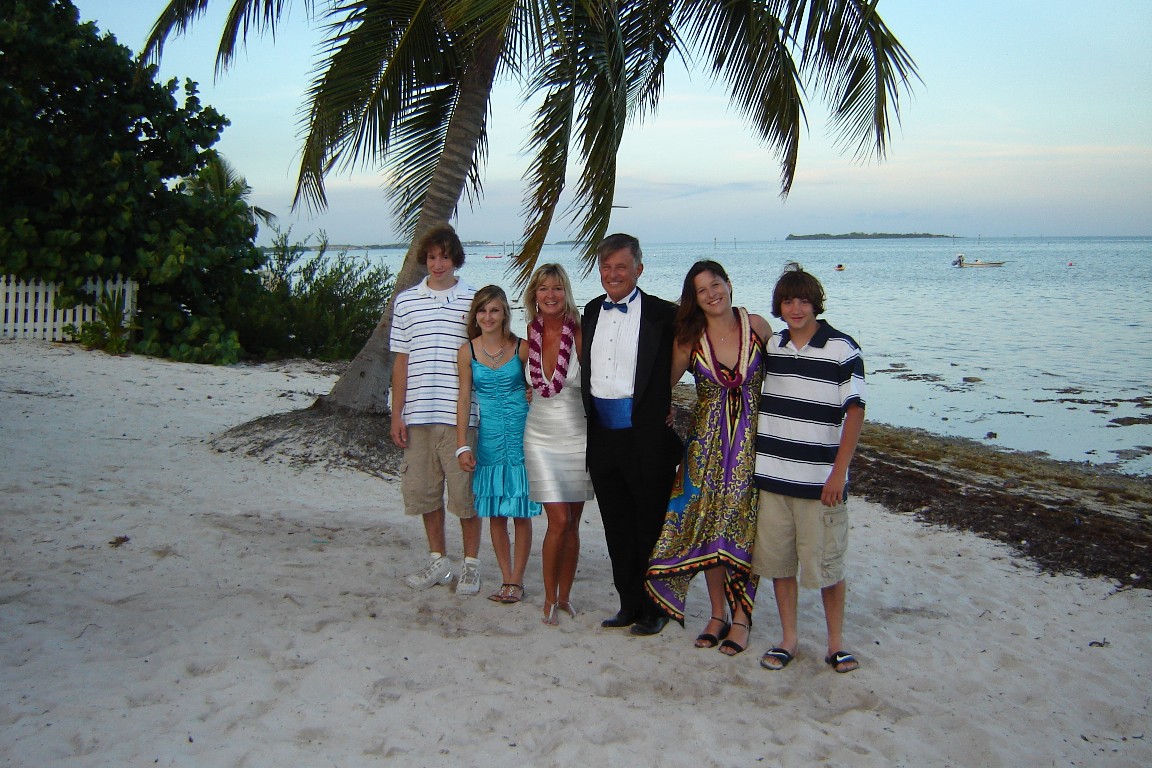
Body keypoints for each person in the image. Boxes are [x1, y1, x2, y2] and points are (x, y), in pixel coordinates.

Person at [645, 261, 771, 656]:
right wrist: (663, 411)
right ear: (695, 299)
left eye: (715, 285)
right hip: (704, 451)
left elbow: (785, 379)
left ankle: (742, 619)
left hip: (751, 449)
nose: (711, 294)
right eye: (702, 291)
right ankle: (717, 615)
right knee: (706, 529)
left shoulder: (758, 327)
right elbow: (660, 383)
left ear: (729, 284)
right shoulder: (690, 338)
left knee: (743, 530)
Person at [751, 262, 866, 673]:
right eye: (788, 301)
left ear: (816, 303)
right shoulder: (773, 347)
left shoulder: (842, 348)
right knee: (780, 567)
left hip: (821, 483)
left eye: (803, 301)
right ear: (779, 307)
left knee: (827, 568)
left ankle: (836, 645)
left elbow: (855, 411)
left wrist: (839, 473)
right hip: (773, 479)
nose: (796, 308)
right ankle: (789, 639)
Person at [581, 233, 683, 636]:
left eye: (621, 266)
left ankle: (655, 607)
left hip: (645, 437)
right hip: (602, 437)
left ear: (639, 269)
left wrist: (666, 401)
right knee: (616, 524)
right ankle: (628, 602)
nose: (613, 274)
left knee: (650, 523)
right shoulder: (591, 310)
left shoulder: (663, 314)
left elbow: (700, 344)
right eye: (606, 267)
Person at [390, 225, 482, 596]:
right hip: (418, 415)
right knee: (426, 493)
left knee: (465, 497)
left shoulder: (473, 300)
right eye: (431, 257)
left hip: (461, 417)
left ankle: (471, 566)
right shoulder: (406, 301)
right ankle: (439, 562)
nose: (437, 264)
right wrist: (397, 414)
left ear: (455, 258)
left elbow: (488, 353)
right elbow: (400, 361)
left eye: (444, 256)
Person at [455, 286, 541, 604]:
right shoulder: (468, 351)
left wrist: (533, 393)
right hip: (489, 439)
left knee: (521, 512)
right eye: (482, 310)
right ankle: (506, 577)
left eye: (494, 310)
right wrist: (462, 445)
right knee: (495, 514)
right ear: (475, 315)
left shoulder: (522, 348)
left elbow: (542, 387)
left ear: (505, 312)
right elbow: (464, 399)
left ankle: (517, 580)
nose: (488, 316)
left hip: (522, 437)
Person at [522, 264, 595, 625]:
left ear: (566, 293)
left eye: (557, 288)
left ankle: (565, 596)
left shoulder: (579, 333)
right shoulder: (528, 334)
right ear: (534, 295)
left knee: (573, 522)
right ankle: (549, 598)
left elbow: (599, 381)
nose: (550, 295)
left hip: (577, 434)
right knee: (559, 519)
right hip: (539, 435)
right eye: (543, 288)